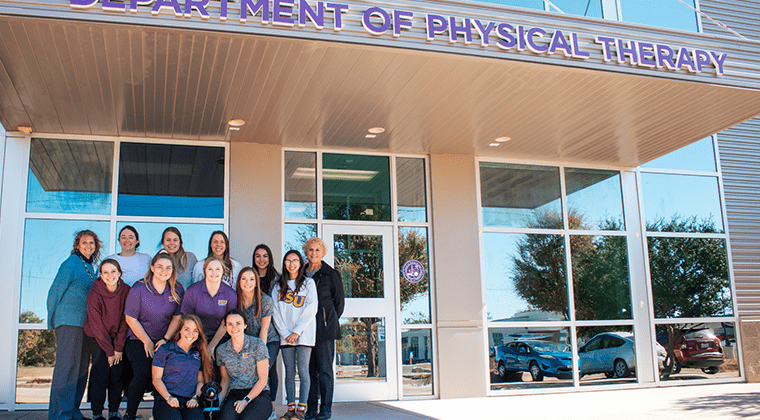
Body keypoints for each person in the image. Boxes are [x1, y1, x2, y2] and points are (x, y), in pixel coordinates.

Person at [47, 229, 103, 420]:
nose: (88, 246)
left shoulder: (90, 267)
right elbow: (55, 291)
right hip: (68, 322)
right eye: (84, 242)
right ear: (77, 245)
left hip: (85, 325)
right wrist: (52, 320)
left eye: (92, 243)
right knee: (66, 367)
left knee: (80, 369)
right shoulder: (71, 263)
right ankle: (59, 414)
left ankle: (73, 411)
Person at [123, 252, 184, 420]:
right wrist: (147, 341)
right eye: (160, 267)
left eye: (168, 268)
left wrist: (165, 339)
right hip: (138, 339)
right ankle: (130, 415)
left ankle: (161, 415)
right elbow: (130, 318)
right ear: (152, 268)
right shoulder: (140, 288)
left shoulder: (177, 289)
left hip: (164, 340)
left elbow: (177, 318)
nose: (164, 271)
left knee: (164, 376)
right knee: (143, 373)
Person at [271, 250, 318, 420]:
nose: (291, 264)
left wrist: (297, 332)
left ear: (300, 263)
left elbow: (311, 309)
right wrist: (286, 333)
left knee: (303, 371)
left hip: (304, 335)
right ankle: (290, 409)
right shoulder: (278, 286)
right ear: (284, 263)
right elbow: (275, 311)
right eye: (288, 260)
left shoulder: (309, 284)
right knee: (289, 372)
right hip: (286, 336)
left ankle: (301, 411)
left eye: (295, 260)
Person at [302, 238, 344, 420]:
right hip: (305, 329)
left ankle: (325, 409)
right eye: (310, 250)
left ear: (323, 252)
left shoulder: (330, 274)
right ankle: (311, 409)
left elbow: (339, 303)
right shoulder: (301, 273)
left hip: (325, 329)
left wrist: (328, 319)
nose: (314, 253)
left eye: (317, 250)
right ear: (306, 252)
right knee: (309, 371)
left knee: (325, 370)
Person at [84, 258, 130, 420]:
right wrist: (109, 351)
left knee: (117, 374)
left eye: (113, 271)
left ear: (119, 273)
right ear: (101, 275)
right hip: (97, 337)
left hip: (117, 336)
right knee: (101, 373)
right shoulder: (94, 293)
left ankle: (113, 412)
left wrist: (117, 348)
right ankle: (97, 414)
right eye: (105, 272)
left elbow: (126, 320)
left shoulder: (126, 291)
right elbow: (96, 325)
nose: (110, 275)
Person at [152, 314, 214, 420]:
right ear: (180, 330)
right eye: (187, 329)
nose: (191, 334)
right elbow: (156, 379)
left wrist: (195, 397)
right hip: (166, 398)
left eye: (195, 330)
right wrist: (169, 398)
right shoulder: (165, 350)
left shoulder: (199, 353)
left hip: (189, 401)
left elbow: (200, 381)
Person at [217, 309, 272, 420]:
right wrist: (217, 403)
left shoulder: (257, 344)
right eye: (230, 324)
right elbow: (225, 381)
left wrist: (246, 400)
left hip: (258, 395)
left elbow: (263, 379)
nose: (234, 327)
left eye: (238, 323)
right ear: (225, 327)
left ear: (245, 325)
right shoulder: (221, 350)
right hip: (234, 395)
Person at [237, 266, 277, 419]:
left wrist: (261, 355)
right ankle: (252, 404)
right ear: (239, 281)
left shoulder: (265, 300)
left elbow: (264, 329)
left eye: (251, 279)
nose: (247, 282)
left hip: (268, 341)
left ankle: (270, 407)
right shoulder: (236, 300)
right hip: (248, 342)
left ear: (256, 283)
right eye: (244, 279)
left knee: (266, 368)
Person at [182, 256, 238, 360]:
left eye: (218, 269)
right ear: (204, 271)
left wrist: (211, 346)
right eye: (210, 269)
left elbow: (226, 323)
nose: (214, 272)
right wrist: (201, 345)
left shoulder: (230, 294)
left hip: (220, 339)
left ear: (223, 272)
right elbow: (187, 320)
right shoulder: (192, 291)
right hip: (195, 338)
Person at [252, 244, 281, 420]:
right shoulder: (249, 277)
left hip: (271, 332)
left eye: (265, 256)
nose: (261, 260)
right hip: (251, 333)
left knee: (269, 369)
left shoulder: (276, 279)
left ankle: (270, 407)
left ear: (269, 258)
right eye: (257, 256)